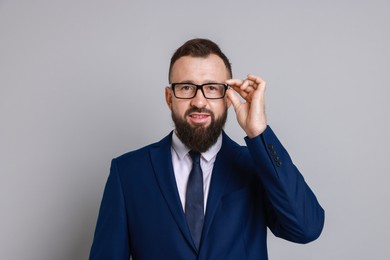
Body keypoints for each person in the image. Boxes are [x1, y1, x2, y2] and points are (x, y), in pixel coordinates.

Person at [89, 38, 324, 260]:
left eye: (212, 88)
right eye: (186, 88)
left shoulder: (255, 166)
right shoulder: (128, 172)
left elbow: (306, 228)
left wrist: (259, 132)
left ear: (227, 98)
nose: (199, 101)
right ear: (169, 97)